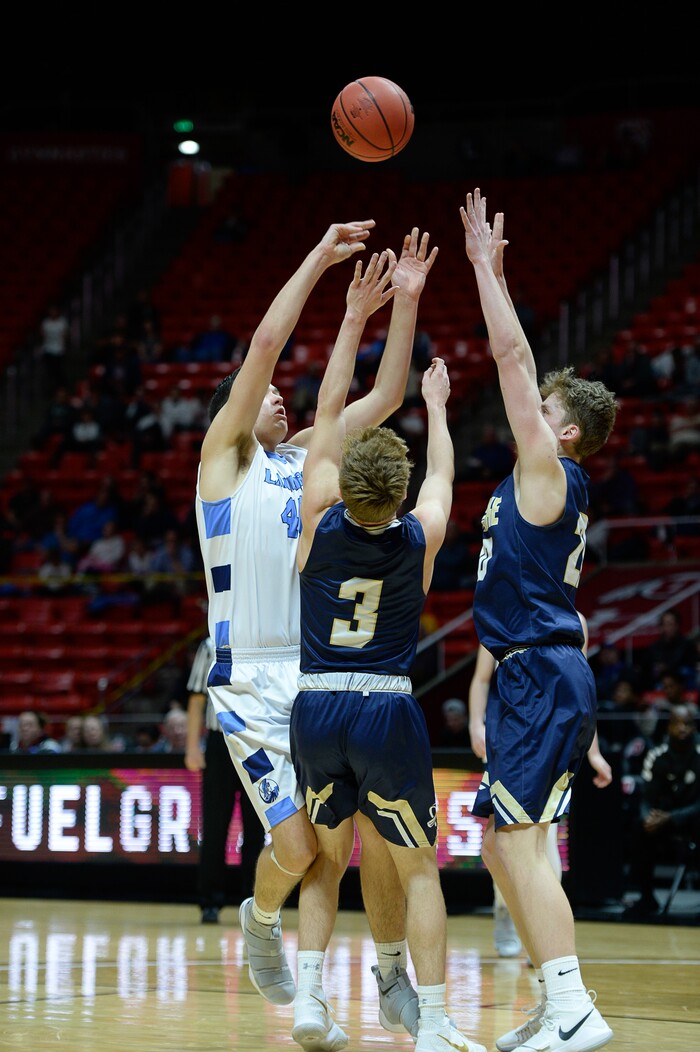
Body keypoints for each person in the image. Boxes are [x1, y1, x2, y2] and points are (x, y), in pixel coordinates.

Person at [195, 220, 438, 1042]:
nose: (277, 396)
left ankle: (320, 963)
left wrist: (394, 307)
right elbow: (266, 341)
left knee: (328, 851)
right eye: (261, 393)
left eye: (280, 396)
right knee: (296, 851)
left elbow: (388, 397)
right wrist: (321, 261)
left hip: (311, 679)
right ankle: (260, 920)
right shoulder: (224, 461)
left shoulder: (309, 458)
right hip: (243, 682)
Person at [288, 246, 485, 1052]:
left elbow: (333, 406)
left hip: (314, 704)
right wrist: (438, 410)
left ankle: (308, 1003)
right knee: (415, 869)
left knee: (324, 863)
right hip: (383, 707)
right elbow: (444, 478)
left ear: (339, 483)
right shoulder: (421, 537)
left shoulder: (313, 516)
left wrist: (352, 317)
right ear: (398, 495)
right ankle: (432, 1023)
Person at [461, 187, 618, 1052]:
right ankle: (552, 999)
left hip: (537, 672)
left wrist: (488, 269)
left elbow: (513, 356)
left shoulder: (549, 474)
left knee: (520, 844)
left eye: (545, 416)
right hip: (540, 667)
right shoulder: (540, 486)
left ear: (564, 436)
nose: (531, 416)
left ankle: (574, 1007)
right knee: (500, 849)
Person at [468, 616, 612, 962]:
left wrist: (593, 750)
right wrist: (476, 723)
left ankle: (544, 940)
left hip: (556, 735)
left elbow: (581, 686)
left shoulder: (576, 620)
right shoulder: (500, 609)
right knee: (504, 843)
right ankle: (504, 912)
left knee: (546, 847)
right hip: (512, 733)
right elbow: (481, 679)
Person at [185, 636, 266, 923]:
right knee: (215, 827)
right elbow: (196, 698)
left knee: (257, 830)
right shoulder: (208, 645)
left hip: (257, 743)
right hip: (219, 744)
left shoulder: (263, 640)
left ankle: (256, 902)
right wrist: (193, 746)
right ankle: (210, 900)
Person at [624, 702, 700, 917]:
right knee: (639, 827)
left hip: (692, 819)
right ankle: (646, 897)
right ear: (668, 727)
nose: (682, 728)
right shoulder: (657, 755)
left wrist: (671, 817)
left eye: (688, 723)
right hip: (664, 821)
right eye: (677, 723)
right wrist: (648, 818)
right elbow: (646, 798)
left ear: (695, 727)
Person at [38, 303, 69, 389]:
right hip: (48, 349)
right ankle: (50, 388)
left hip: (59, 350)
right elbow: (42, 334)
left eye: (54, 311)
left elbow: (65, 335)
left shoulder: (62, 322)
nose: (53, 313)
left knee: (59, 370)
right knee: (49, 371)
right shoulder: (46, 322)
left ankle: (61, 387)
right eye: (51, 311)